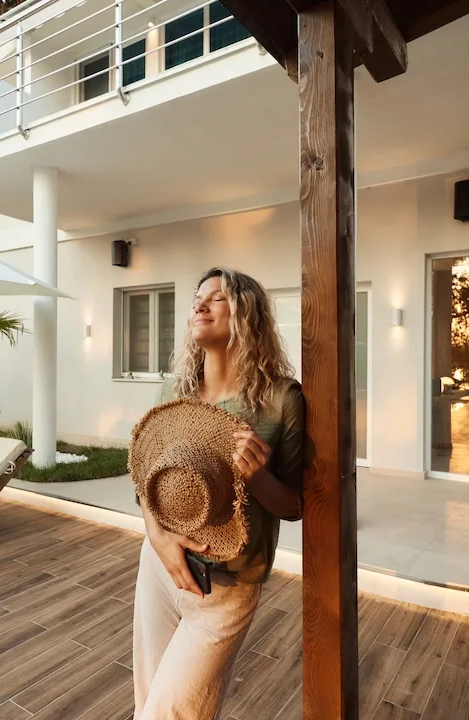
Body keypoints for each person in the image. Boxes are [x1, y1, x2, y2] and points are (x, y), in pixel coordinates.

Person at [133, 267, 306, 720]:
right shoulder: (174, 390)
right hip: (160, 566)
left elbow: (295, 505)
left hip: (227, 588)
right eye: (197, 298)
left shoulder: (281, 399)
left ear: (247, 314)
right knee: (148, 699)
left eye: (217, 298)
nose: (199, 305)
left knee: (169, 713)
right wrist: (160, 540)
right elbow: (144, 481)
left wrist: (258, 476)